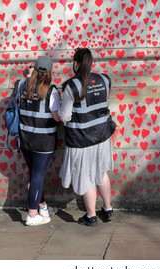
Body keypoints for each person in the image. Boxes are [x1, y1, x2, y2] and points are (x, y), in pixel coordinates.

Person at [59, 47, 116, 227]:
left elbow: (65, 116)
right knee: (101, 172)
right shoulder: (105, 79)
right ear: (92, 64)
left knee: (85, 176)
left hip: (81, 139)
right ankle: (108, 209)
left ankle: (90, 216)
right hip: (102, 136)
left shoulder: (71, 85)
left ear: (75, 63)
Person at [16, 56, 61, 226]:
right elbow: (56, 118)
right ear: (49, 73)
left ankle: (42, 206)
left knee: (35, 175)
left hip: (25, 138)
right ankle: (32, 215)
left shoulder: (21, 85)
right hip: (44, 141)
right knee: (37, 176)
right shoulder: (51, 90)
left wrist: (28, 75)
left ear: (33, 69)